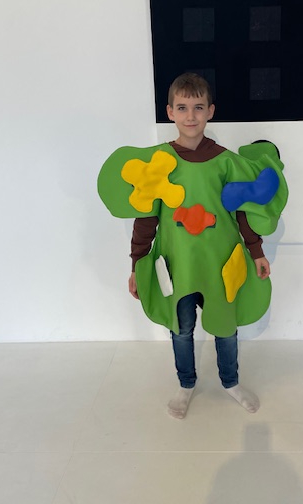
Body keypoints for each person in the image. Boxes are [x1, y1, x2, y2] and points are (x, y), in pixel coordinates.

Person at [97, 73, 287, 419]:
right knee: (181, 327)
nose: (190, 115)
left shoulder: (227, 161)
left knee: (225, 327)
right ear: (170, 112)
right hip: (178, 263)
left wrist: (256, 251)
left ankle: (230, 382)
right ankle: (186, 383)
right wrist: (137, 265)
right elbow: (145, 218)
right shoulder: (160, 162)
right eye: (182, 108)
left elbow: (242, 209)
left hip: (220, 262)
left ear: (210, 111)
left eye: (198, 107)